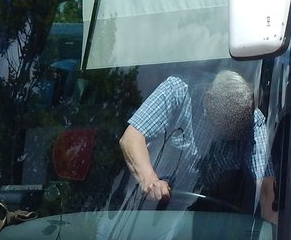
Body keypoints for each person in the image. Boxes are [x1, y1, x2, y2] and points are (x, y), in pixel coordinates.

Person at [118, 69, 276, 222]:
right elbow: (131, 139)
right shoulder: (177, 90)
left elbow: (267, 189)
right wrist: (150, 181)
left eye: (237, 132)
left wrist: (273, 237)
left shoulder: (252, 122)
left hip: (210, 218)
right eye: (225, 127)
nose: (232, 137)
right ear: (208, 99)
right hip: (149, 211)